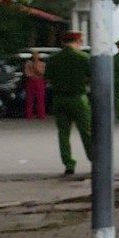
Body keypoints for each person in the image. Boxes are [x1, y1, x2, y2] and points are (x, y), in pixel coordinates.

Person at [44, 32, 93, 176]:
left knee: (63, 133)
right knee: (86, 132)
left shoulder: (53, 59)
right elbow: (91, 76)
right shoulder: (83, 57)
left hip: (59, 99)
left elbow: (48, 78)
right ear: (78, 41)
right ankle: (94, 160)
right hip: (78, 98)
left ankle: (69, 164)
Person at [22, 51, 48, 120]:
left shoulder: (42, 64)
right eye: (34, 56)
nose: (35, 57)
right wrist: (31, 74)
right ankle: (28, 114)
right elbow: (27, 73)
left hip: (39, 81)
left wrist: (36, 67)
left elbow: (42, 73)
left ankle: (41, 114)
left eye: (36, 56)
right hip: (31, 81)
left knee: (40, 99)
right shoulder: (28, 64)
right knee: (30, 99)